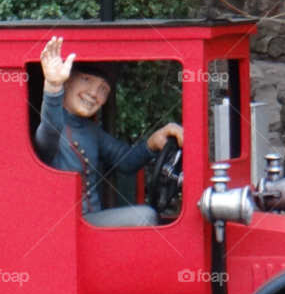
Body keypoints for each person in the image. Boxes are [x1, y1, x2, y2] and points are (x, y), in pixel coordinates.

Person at [34, 36, 184, 227]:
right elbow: (50, 129)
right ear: (67, 81)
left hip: (88, 225)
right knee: (145, 216)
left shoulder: (92, 132)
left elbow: (126, 161)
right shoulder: (54, 128)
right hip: (66, 228)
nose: (94, 93)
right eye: (86, 79)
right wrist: (53, 88)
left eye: (103, 90)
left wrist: (153, 143)